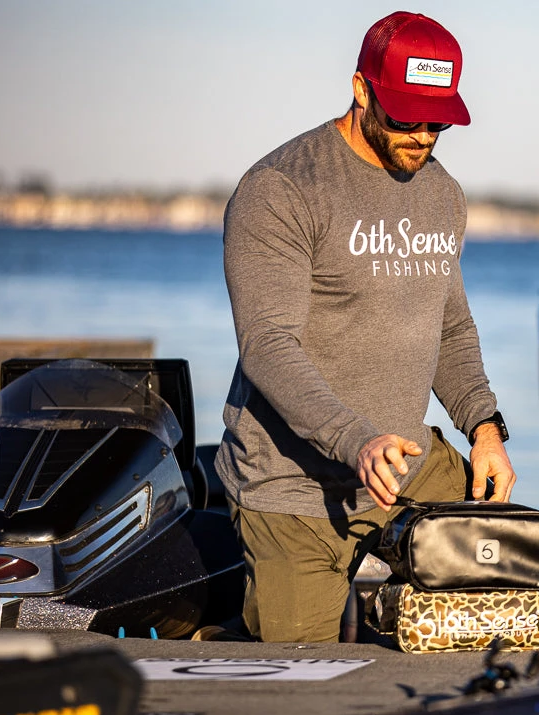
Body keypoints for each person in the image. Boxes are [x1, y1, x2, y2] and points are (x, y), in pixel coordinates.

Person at [214, 11, 516, 643]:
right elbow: (268, 347)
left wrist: (485, 431)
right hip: (296, 486)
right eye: (405, 115)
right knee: (299, 680)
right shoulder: (281, 189)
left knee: (511, 575)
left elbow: (450, 331)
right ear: (360, 88)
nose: (423, 135)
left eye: (438, 119)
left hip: (406, 459)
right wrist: (357, 441)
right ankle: (215, 635)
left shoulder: (442, 194)